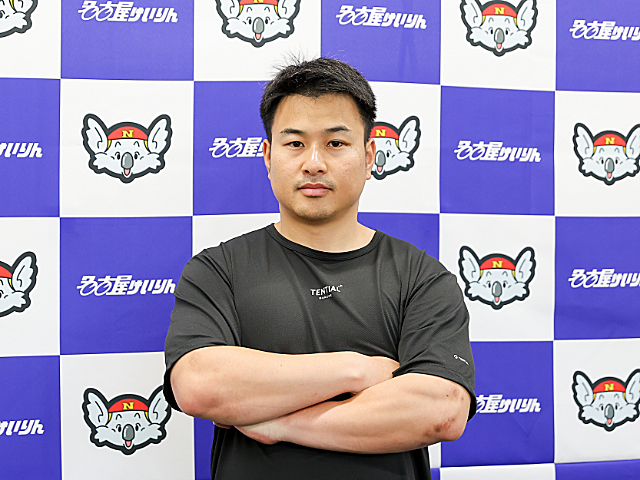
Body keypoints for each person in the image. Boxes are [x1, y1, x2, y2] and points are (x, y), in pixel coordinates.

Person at [164, 57, 476, 480]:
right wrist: (360, 370)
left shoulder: (420, 277)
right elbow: (199, 386)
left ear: (369, 156)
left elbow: (441, 410)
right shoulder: (218, 270)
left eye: (335, 143)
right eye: (295, 143)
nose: (313, 162)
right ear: (268, 156)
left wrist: (280, 425)